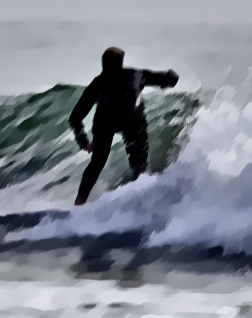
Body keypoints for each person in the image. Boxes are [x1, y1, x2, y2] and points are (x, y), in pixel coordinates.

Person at [69, 47, 179, 205]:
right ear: (121, 63)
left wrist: (84, 141)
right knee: (139, 163)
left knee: (97, 163)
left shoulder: (98, 83)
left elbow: (75, 118)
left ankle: (79, 203)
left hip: (106, 121)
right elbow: (170, 78)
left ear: (103, 65)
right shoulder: (135, 75)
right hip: (131, 120)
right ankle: (143, 201)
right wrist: (169, 80)